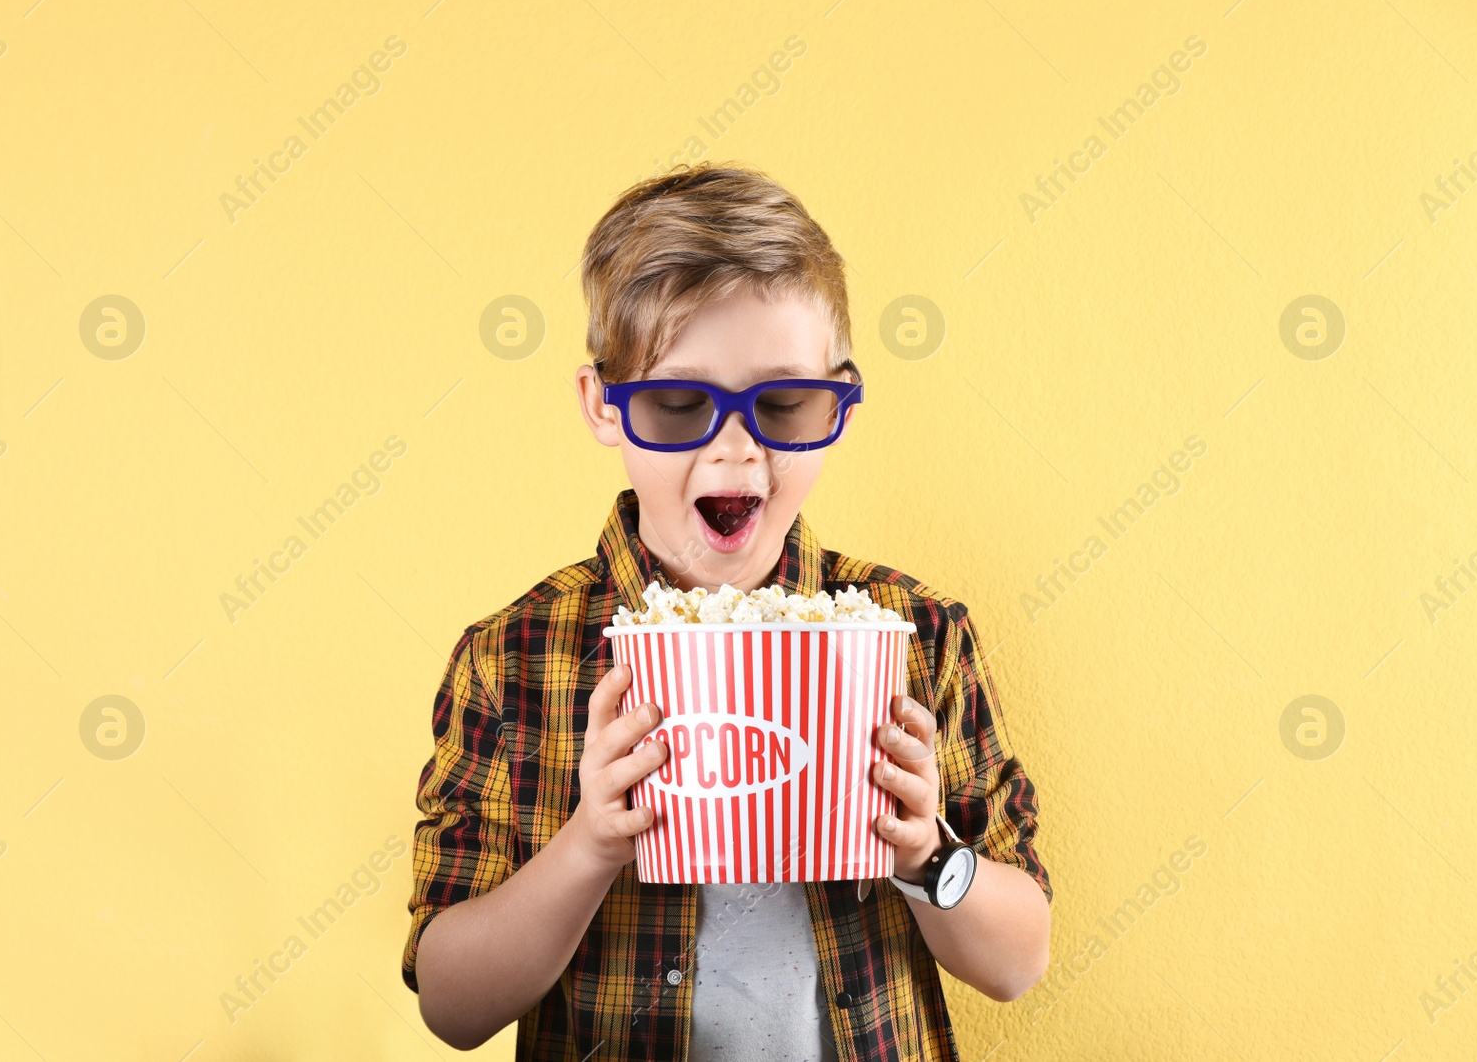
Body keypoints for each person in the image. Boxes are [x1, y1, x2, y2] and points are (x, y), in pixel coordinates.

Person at [403, 161, 1052, 1060]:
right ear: (603, 406)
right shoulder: (512, 656)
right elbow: (453, 1004)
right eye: (678, 404)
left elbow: (1020, 959)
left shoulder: (916, 633)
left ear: (842, 404)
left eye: (784, 402)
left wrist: (924, 856)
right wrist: (591, 843)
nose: (736, 447)